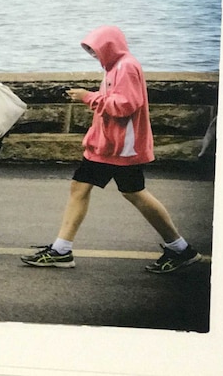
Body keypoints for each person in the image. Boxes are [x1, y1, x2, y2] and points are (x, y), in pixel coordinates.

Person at [20, 25, 201, 273]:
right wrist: (92, 96)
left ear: (109, 47)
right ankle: (61, 249)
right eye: (90, 51)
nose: (94, 55)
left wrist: (88, 97)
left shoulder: (126, 67)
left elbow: (125, 106)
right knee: (84, 188)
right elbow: (118, 102)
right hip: (108, 147)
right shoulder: (116, 67)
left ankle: (181, 249)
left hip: (120, 149)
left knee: (132, 192)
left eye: (95, 50)